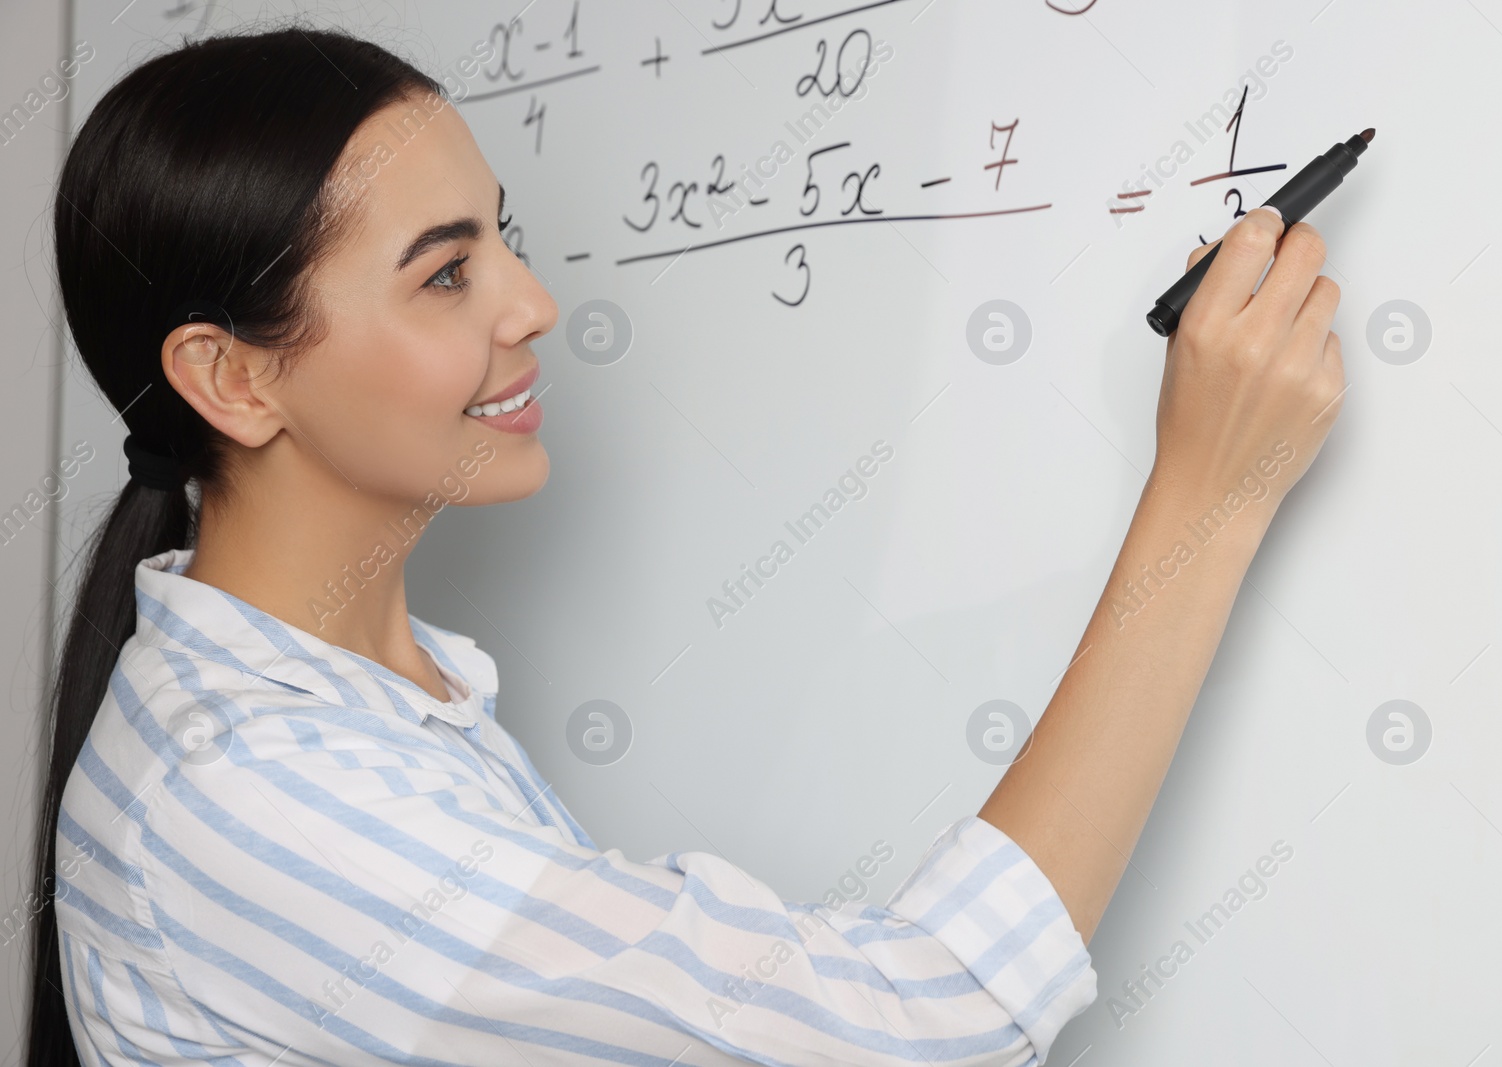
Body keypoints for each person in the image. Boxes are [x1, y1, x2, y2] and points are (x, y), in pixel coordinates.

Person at [25, 23, 1344, 1067]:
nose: (534, 306)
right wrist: (1209, 501)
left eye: (504, 236)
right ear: (234, 380)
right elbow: (930, 1023)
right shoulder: (266, 801)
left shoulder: (368, 699)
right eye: (445, 274)